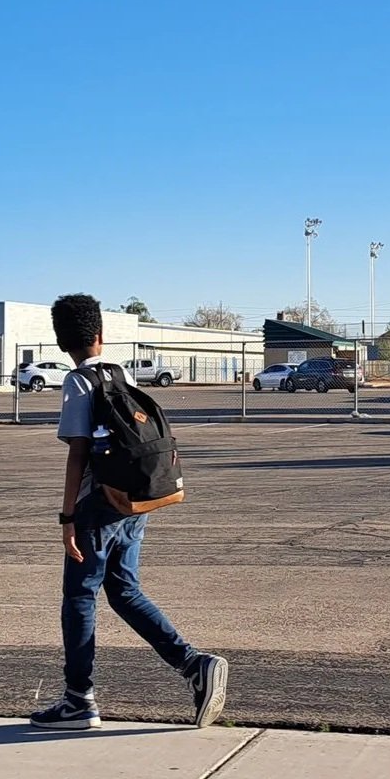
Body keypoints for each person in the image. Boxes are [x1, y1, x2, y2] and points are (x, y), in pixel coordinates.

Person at [30, 293, 228, 731]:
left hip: (95, 508)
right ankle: (194, 665)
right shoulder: (118, 375)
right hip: (133, 502)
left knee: (80, 598)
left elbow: (77, 454)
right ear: (100, 335)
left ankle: (79, 700)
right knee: (124, 591)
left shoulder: (78, 383)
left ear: (62, 343)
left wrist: (67, 519)